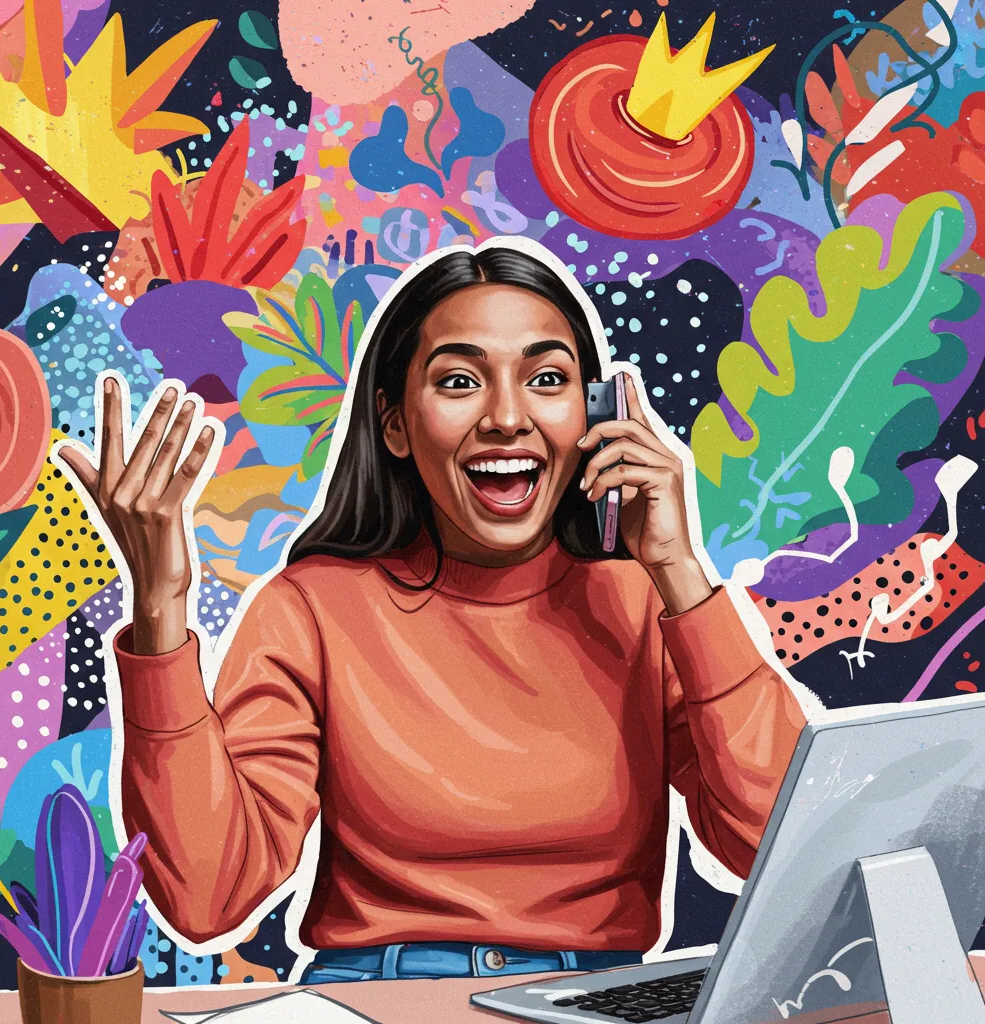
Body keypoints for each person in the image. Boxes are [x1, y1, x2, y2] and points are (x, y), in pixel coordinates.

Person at [57, 242, 807, 985]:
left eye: (547, 378)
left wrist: (679, 571)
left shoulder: (642, 604)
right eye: (459, 381)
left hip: (595, 996)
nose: (508, 418)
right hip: (386, 994)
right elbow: (207, 897)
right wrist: (158, 608)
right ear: (394, 425)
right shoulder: (313, 609)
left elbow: (778, 846)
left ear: (594, 416)